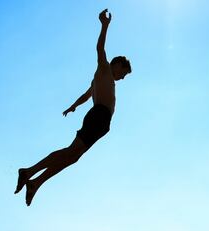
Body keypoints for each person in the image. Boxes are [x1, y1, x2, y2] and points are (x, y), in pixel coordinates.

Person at [15, 9, 131, 206]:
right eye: (124, 72)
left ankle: (35, 182)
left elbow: (86, 95)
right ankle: (29, 172)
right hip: (99, 116)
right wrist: (104, 26)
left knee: (72, 157)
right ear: (116, 64)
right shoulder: (104, 70)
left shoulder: (101, 80)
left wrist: (73, 106)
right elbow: (100, 49)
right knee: (71, 153)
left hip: (100, 121)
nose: (123, 77)